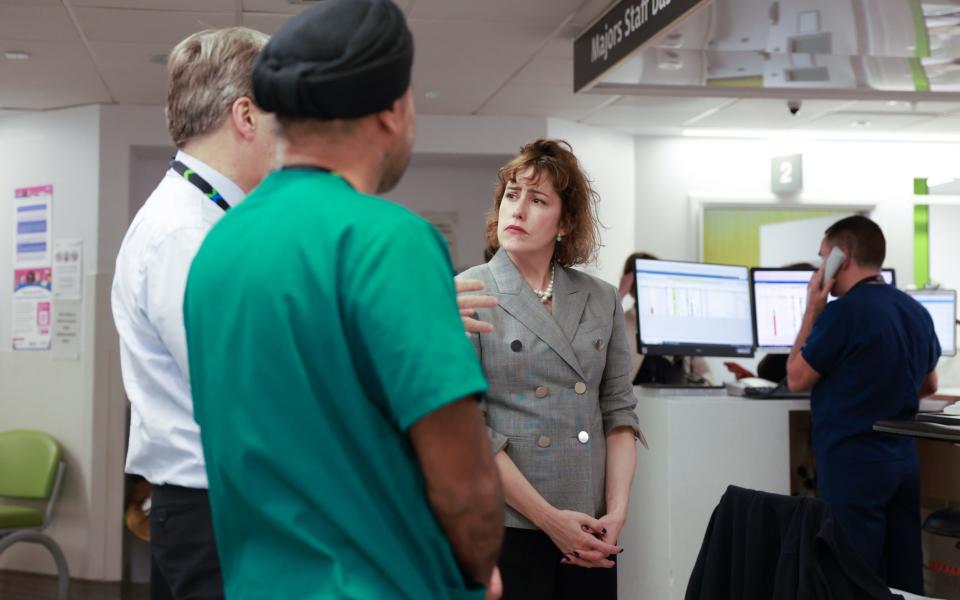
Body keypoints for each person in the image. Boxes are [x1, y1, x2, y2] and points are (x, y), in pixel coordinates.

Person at [182, 1, 504, 598]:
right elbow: (465, 484)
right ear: (392, 109)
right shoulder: (389, 241)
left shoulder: (217, 250)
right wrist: (478, 568)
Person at [111, 27, 274, 600]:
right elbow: (250, 386)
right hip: (212, 511)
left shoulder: (205, 221)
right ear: (247, 116)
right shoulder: (185, 234)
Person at [459, 139, 640, 600]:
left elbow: (618, 412)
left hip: (590, 525)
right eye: (512, 194)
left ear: (565, 223)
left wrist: (616, 511)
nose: (517, 210)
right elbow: (470, 431)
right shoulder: (466, 293)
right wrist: (547, 519)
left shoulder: (600, 298)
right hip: (510, 522)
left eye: (537, 200)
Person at [786, 215, 940, 594]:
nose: (821, 268)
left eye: (824, 258)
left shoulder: (842, 312)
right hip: (902, 462)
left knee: (852, 575)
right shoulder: (914, 310)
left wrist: (812, 308)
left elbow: (796, 377)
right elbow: (929, 383)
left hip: (853, 463)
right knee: (903, 578)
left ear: (844, 256)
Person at [619, 252, 712, 385]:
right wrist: (620, 293)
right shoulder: (621, 321)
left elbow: (704, 371)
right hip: (638, 401)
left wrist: (705, 383)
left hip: (677, 401)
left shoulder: (679, 322)